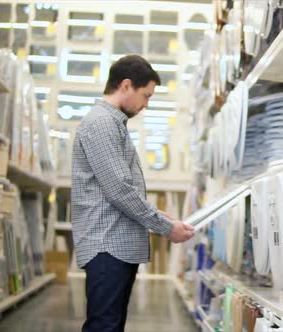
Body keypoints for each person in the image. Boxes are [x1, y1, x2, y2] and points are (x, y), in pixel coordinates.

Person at [71, 55, 194, 332]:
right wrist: (165, 227)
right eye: (145, 95)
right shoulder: (101, 124)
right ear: (126, 85)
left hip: (115, 245)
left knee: (111, 325)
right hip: (107, 246)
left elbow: (117, 189)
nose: (146, 105)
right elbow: (119, 190)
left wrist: (157, 215)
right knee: (104, 326)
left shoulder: (113, 124)